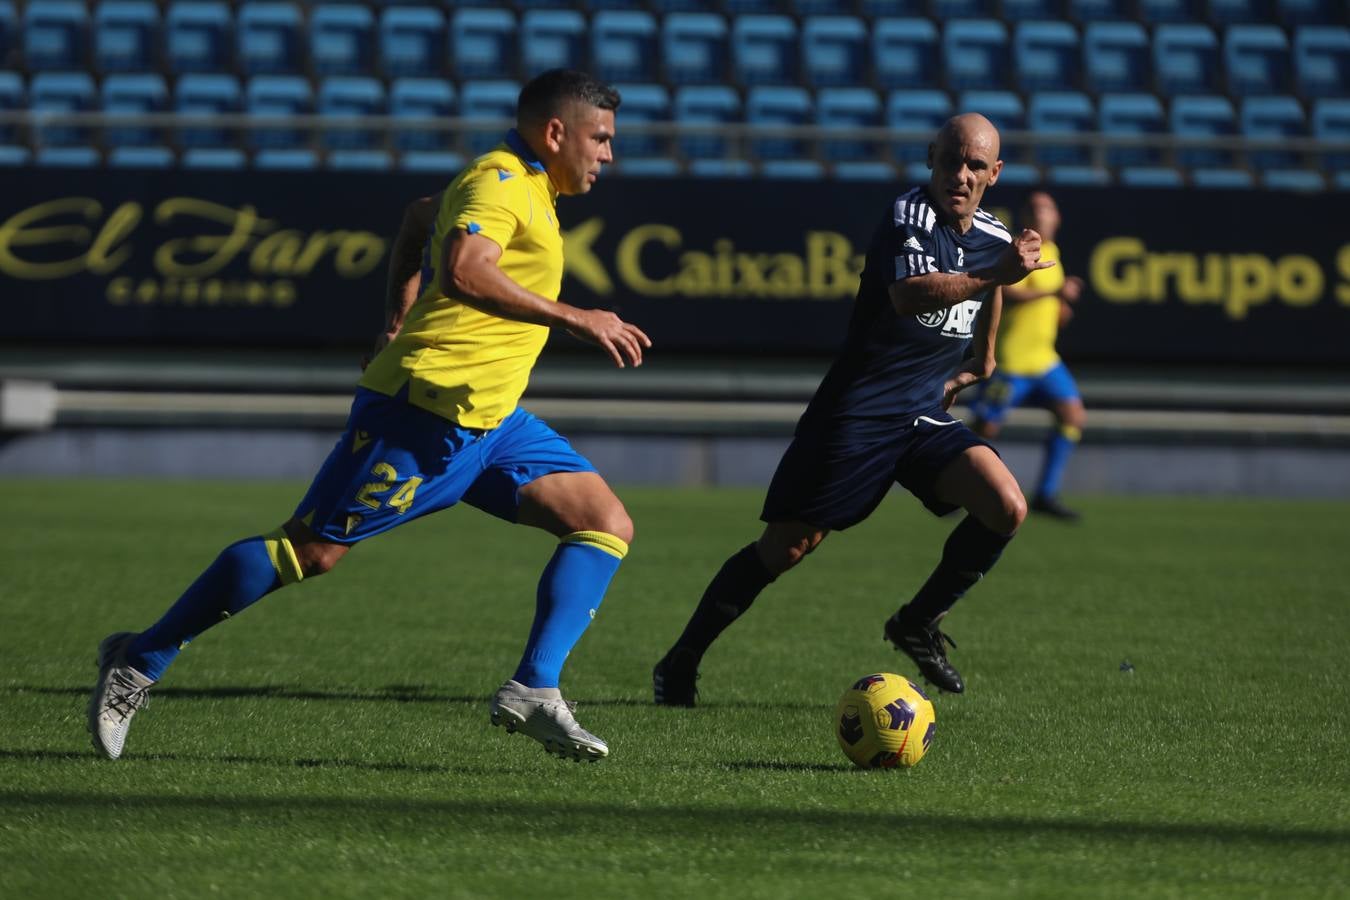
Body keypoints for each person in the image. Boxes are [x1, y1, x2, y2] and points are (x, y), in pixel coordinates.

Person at [88, 69, 651, 763]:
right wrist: (575, 317)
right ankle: (139, 661)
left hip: (493, 422)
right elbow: (468, 270)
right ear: (556, 132)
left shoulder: (529, 186)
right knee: (310, 551)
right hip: (423, 415)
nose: (608, 155)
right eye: (600, 139)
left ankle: (534, 688)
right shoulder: (499, 182)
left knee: (604, 522)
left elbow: (420, 219)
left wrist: (396, 311)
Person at [653, 114, 1050, 705]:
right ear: (930, 160)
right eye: (949, 161)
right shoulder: (906, 217)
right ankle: (680, 660)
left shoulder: (994, 235)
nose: (959, 176)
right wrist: (996, 273)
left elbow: (996, 280)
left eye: (974, 166)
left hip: (921, 413)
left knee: (1006, 505)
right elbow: (910, 294)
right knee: (785, 548)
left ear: (995, 173)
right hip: (858, 415)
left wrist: (983, 361)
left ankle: (917, 622)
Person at [970, 190, 1086, 521]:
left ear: (1057, 218)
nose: (1039, 215)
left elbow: (1045, 298)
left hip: (1044, 360)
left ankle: (1046, 494)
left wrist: (1059, 307)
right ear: (1025, 218)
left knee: (1073, 416)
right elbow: (1006, 290)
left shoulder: (1053, 252)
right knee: (984, 429)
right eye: (1033, 209)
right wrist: (1054, 294)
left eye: (1046, 209)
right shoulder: (1016, 250)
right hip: (1011, 362)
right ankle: (956, 485)